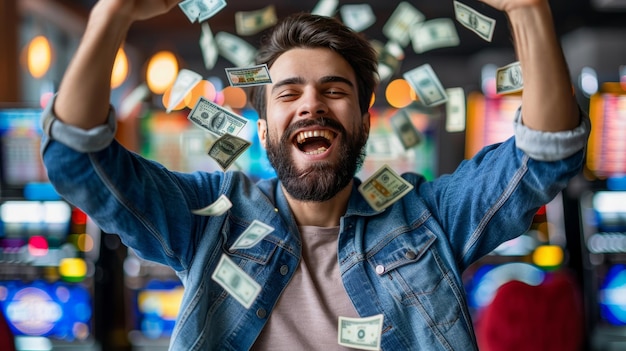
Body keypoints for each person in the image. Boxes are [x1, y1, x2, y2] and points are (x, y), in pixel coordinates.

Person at [40, 0, 590, 350]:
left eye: (334, 90)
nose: (312, 105)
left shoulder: (430, 218)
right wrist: (111, 14)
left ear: (363, 121)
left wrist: (526, 8)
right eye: (288, 93)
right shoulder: (210, 217)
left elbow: (545, 154)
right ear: (262, 130)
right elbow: (78, 160)